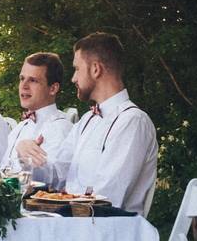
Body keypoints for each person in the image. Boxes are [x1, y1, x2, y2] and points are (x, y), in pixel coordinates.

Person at [16, 32, 158, 215]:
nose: (73, 78)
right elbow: (56, 176)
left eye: (77, 69)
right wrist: (27, 156)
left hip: (109, 234)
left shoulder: (132, 121)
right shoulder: (86, 121)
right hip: (77, 227)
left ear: (95, 69)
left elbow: (107, 199)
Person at [0, 52, 73, 171]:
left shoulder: (61, 128)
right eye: (22, 79)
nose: (24, 86)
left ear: (53, 88)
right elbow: (3, 171)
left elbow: (56, 178)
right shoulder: (20, 127)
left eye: (33, 80)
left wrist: (25, 160)